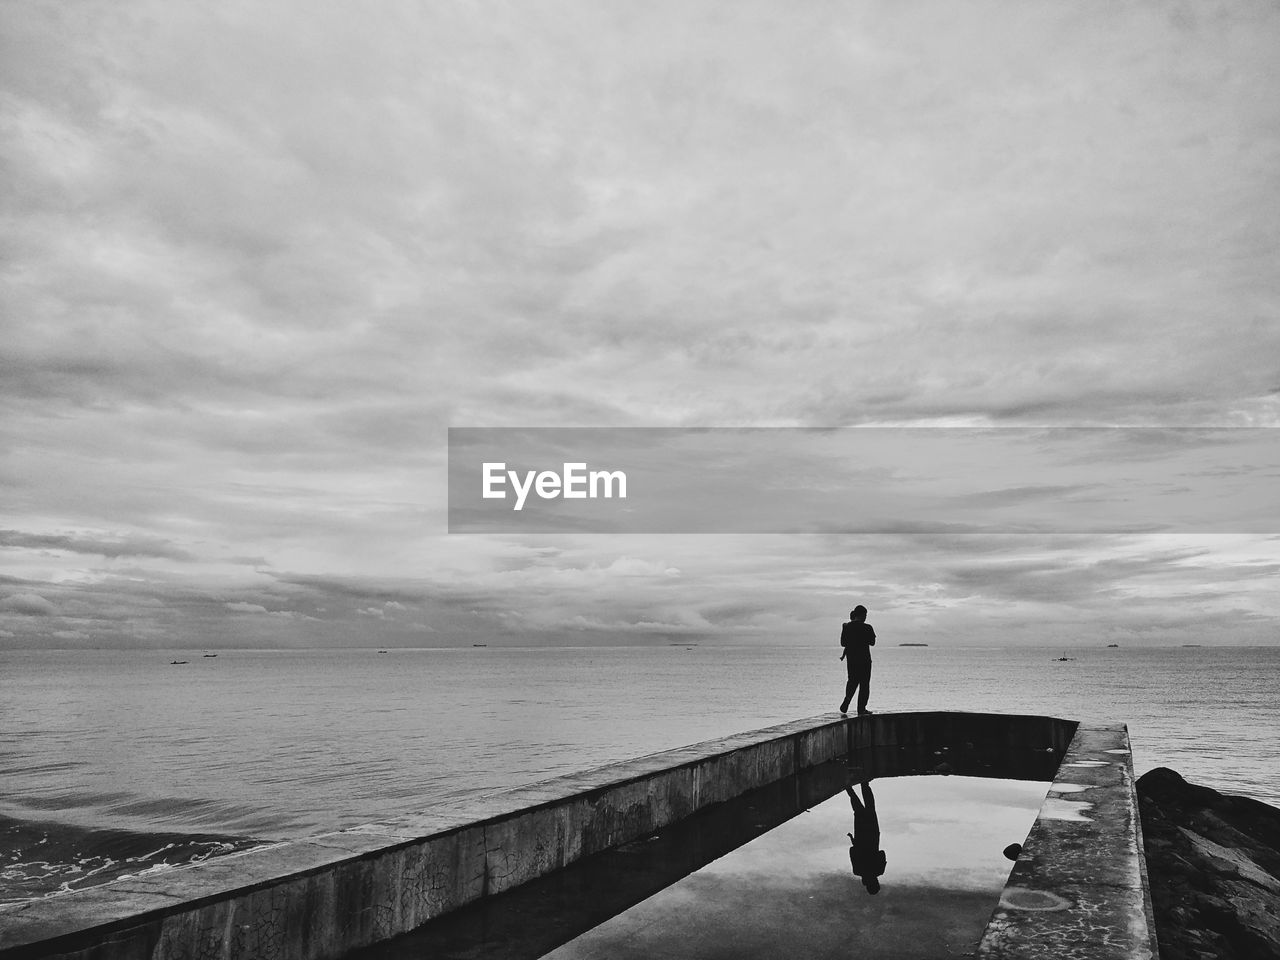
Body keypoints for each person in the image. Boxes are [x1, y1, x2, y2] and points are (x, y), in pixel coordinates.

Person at [846, 780, 886, 895]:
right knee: (858, 810)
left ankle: (864, 784)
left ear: (876, 882)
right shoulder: (858, 871)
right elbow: (852, 851)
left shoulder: (879, 870)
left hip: (873, 835)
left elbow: (882, 853)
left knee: (870, 807)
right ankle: (848, 787)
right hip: (860, 836)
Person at [838, 604, 876, 715]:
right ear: (863, 615)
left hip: (852, 660)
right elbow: (872, 643)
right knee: (864, 684)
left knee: (852, 681)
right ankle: (861, 708)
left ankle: (847, 699)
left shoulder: (847, 627)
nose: (866, 617)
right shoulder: (867, 627)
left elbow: (843, 643)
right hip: (864, 660)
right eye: (865, 615)